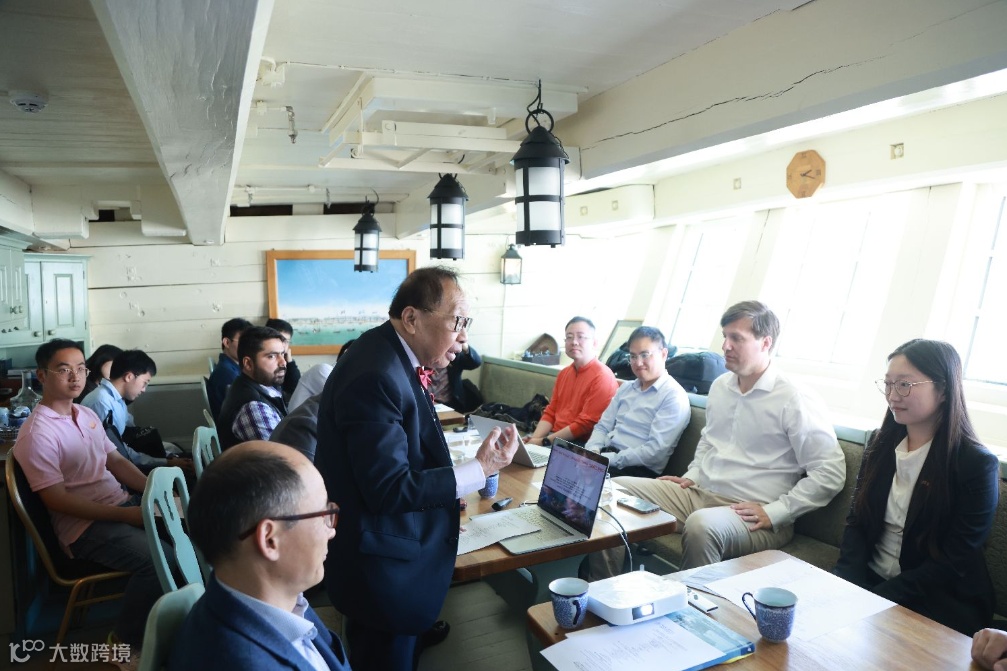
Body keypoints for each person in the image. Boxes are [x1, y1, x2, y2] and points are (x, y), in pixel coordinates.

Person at [315, 266, 519, 671]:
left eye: (467, 324)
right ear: (411, 318)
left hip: (383, 556)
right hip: (380, 570)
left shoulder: (385, 353)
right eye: (457, 322)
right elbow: (389, 488)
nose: (464, 338)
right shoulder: (375, 374)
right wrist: (479, 469)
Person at [589, 301, 845, 576]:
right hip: (700, 495)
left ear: (765, 342)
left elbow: (830, 472)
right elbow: (709, 441)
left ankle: (690, 605)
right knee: (609, 489)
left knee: (702, 525)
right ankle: (603, 588)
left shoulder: (794, 397)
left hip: (753, 513)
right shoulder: (721, 386)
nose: (725, 346)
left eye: (736, 338)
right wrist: (693, 475)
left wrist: (778, 511)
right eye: (725, 336)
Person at [13, 338, 170, 670]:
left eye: (81, 368)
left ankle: (177, 627)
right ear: (42, 376)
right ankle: (124, 643)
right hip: (85, 528)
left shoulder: (84, 413)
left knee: (196, 534)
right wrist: (127, 516)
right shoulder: (37, 433)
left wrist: (154, 493)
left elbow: (117, 462)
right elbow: (57, 500)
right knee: (160, 562)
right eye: (64, 369)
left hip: (120, 505)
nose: (76, 377)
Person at [833, 339, 998, 636]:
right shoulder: (880, 443)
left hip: (938, 598)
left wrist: (874, 601)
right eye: (888, 384)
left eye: (905, 385)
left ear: (944, 390)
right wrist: (844, 584)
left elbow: (954, 561)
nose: (893, 395)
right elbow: (857, 522)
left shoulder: (976, 464)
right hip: (872, 582)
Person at [168, 441, 350, 671]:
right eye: (323, 515)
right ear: (270, 539)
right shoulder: (241, 662)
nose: (331, 531)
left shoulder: (283, 602)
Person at [584, 326, 690, 478]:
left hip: (636, 471)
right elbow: (602, 427)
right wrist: (592, 452)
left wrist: (605, 460)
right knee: (558, 464)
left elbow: (654, 453)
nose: (638, 363)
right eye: (633, 356)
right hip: (605, 457)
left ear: (663, 354)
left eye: (645, 355)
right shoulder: (626, 388)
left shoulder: (673, 396)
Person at [80, 349, 191, 473]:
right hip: (106, 469)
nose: (144, 390)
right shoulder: (101, 402)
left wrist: (167, 457)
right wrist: (165, 462)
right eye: (144, 383)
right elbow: (118, 453)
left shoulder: (117, 400)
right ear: (129, 377)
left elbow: (133, 434)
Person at [526, 317, 618, 446]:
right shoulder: (564, 373)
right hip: (554, 437)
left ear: (594, 343)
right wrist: (533, 440)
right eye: (569, 337)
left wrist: (543, 442)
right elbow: (551, 411)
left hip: (580, 445)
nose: (574, 342)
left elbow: (585, 425)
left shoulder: (603, 377)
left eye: (581, 337)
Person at [218, 326, 288, 449]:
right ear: (248, 363)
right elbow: (283, 456)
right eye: (271, 356)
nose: (283, 362)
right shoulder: (253, 407)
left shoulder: (261, 386)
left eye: (282, 354)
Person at [207, 317, 253, 419]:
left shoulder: (232, 368)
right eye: (243, 342)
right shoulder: (226, 373)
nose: (249, 347)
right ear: (227, 342)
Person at [430, 343, 482, 413]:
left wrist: (464, 345)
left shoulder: (455, 356)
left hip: (449, 403)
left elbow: (476, 362)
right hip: (427, 402)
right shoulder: (424, 357)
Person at [266, 317, 303, 399]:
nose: (283, 345)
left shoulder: (286, 361)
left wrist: (290, 361)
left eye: (286, 341)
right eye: (281, 340)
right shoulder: (266, 362)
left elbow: (296, 389)